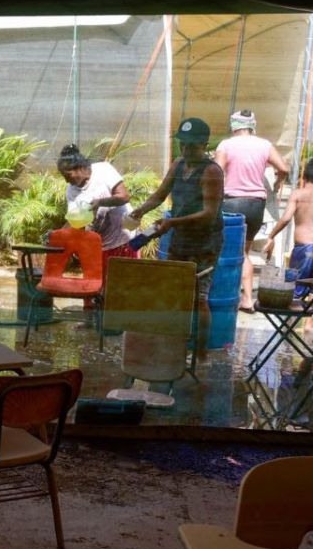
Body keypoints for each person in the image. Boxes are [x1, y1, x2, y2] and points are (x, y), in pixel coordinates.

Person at [129, 118, 224, 363]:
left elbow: (209, 213)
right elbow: (160, 195)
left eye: (192, 146)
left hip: (205, 243)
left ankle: (201, 354)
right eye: (183, 145)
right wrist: (140, 210)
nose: (186, 150)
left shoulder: (211, 171)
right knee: (173, 291)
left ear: (204, 145)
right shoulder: (178, 165)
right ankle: (174, 345)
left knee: (198, 298)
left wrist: (172, 223)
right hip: (181, 237)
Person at [214, 109, 290, 312]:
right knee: (244, 252)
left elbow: (216, 172)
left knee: (226, 250)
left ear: (233, 126)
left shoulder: (226, 145)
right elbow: (284, 168)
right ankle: (247, 299)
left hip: (232, 202)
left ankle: (225, 294)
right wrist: (277, 182)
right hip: (256, 204)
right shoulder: (264, 145)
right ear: (252, 125)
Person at [56, 144, 136, 306]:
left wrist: (100, 202)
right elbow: (75, 220)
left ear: (79, 168)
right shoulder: (71, 190)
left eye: (68, 174)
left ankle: (116, 326)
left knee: (119, 288)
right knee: (93, 288)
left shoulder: (103, 170)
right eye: (63, 176)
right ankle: (91, 322)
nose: (66, 179)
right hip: (97, 244)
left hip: (122, 239)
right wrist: (57, 235)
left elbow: (124, 196)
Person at [263, 158, 313, 299]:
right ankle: (310, 320)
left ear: (305, 176)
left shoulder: (297, 194)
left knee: (295, 288)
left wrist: (271, 236)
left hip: (303, 247)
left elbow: (286, 218)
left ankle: (295, 316)